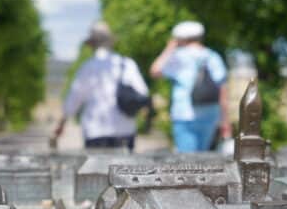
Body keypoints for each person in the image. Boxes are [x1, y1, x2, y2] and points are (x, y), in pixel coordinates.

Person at [52, 21, 148, 151]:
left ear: (92, 45)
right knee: (123, 170)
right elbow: (142, 92)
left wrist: (61, 125)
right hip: (125, 130)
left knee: (97, 170)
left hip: (95, 131)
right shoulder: (127, 64)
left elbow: (73, 100)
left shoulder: (88, 67)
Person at [150, 20, 230, 152]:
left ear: (180, 39)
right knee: (203, 158)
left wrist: (169, 48)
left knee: (187, 162)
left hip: (184, 114)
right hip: (210, 113)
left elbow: (155, 71)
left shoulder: (178, 57)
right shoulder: (213, 56)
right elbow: (223, 91)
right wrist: (225, 121)